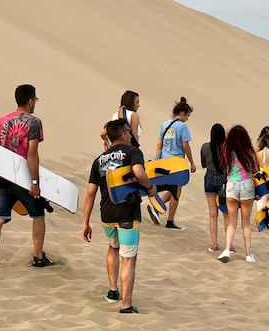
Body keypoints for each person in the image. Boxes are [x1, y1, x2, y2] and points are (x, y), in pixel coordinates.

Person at [83, 119, 157, 313]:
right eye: (129, 132)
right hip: (126, 213)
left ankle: (113, 291)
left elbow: (90, 193)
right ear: (123, 134)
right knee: (128, 259)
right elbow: (138, 172)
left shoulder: (99, 160)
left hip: (106, 213)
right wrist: (150, 187)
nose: (131, 135)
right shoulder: (133, 152)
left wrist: (85, 223)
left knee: (112, 247)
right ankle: (126, 305)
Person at [0, 84, 54, 271]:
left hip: (1, 178)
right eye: (35, 100)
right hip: (22, 179)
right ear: (30, 100)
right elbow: (32, 154)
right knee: (38, 214)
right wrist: (34, 182)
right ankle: (38, 257)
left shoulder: (2, 120)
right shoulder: (34, 122)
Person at [150, 97, 196, 230]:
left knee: (171, 188)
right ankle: (170, 221)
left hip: (164, 161)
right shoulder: (182, 126)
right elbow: (185, 145)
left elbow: (159, 144)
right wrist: (192, 162)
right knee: (176, 191)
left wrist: (157, 161)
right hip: (177, 163)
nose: (187, 118)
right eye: (187, 115)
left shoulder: (164, 125)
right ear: (182, 113)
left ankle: (157, 207)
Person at [217, 125, 260, 263]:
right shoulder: (250, 151)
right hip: (247, 185)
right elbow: (256, 171)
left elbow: (225, 169)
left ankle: (227, 250)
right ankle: (248, 255)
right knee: (246, 224)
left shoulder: (227, 151)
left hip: (232, 186)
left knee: (231, 223)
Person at [200, 123, 229, 252]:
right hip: (223, 180)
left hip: (209, 178)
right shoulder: (226, 148)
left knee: (213, 214)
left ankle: (215, 244)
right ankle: (229, 244)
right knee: (226, 213)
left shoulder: (205, 147)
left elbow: (203, 164)